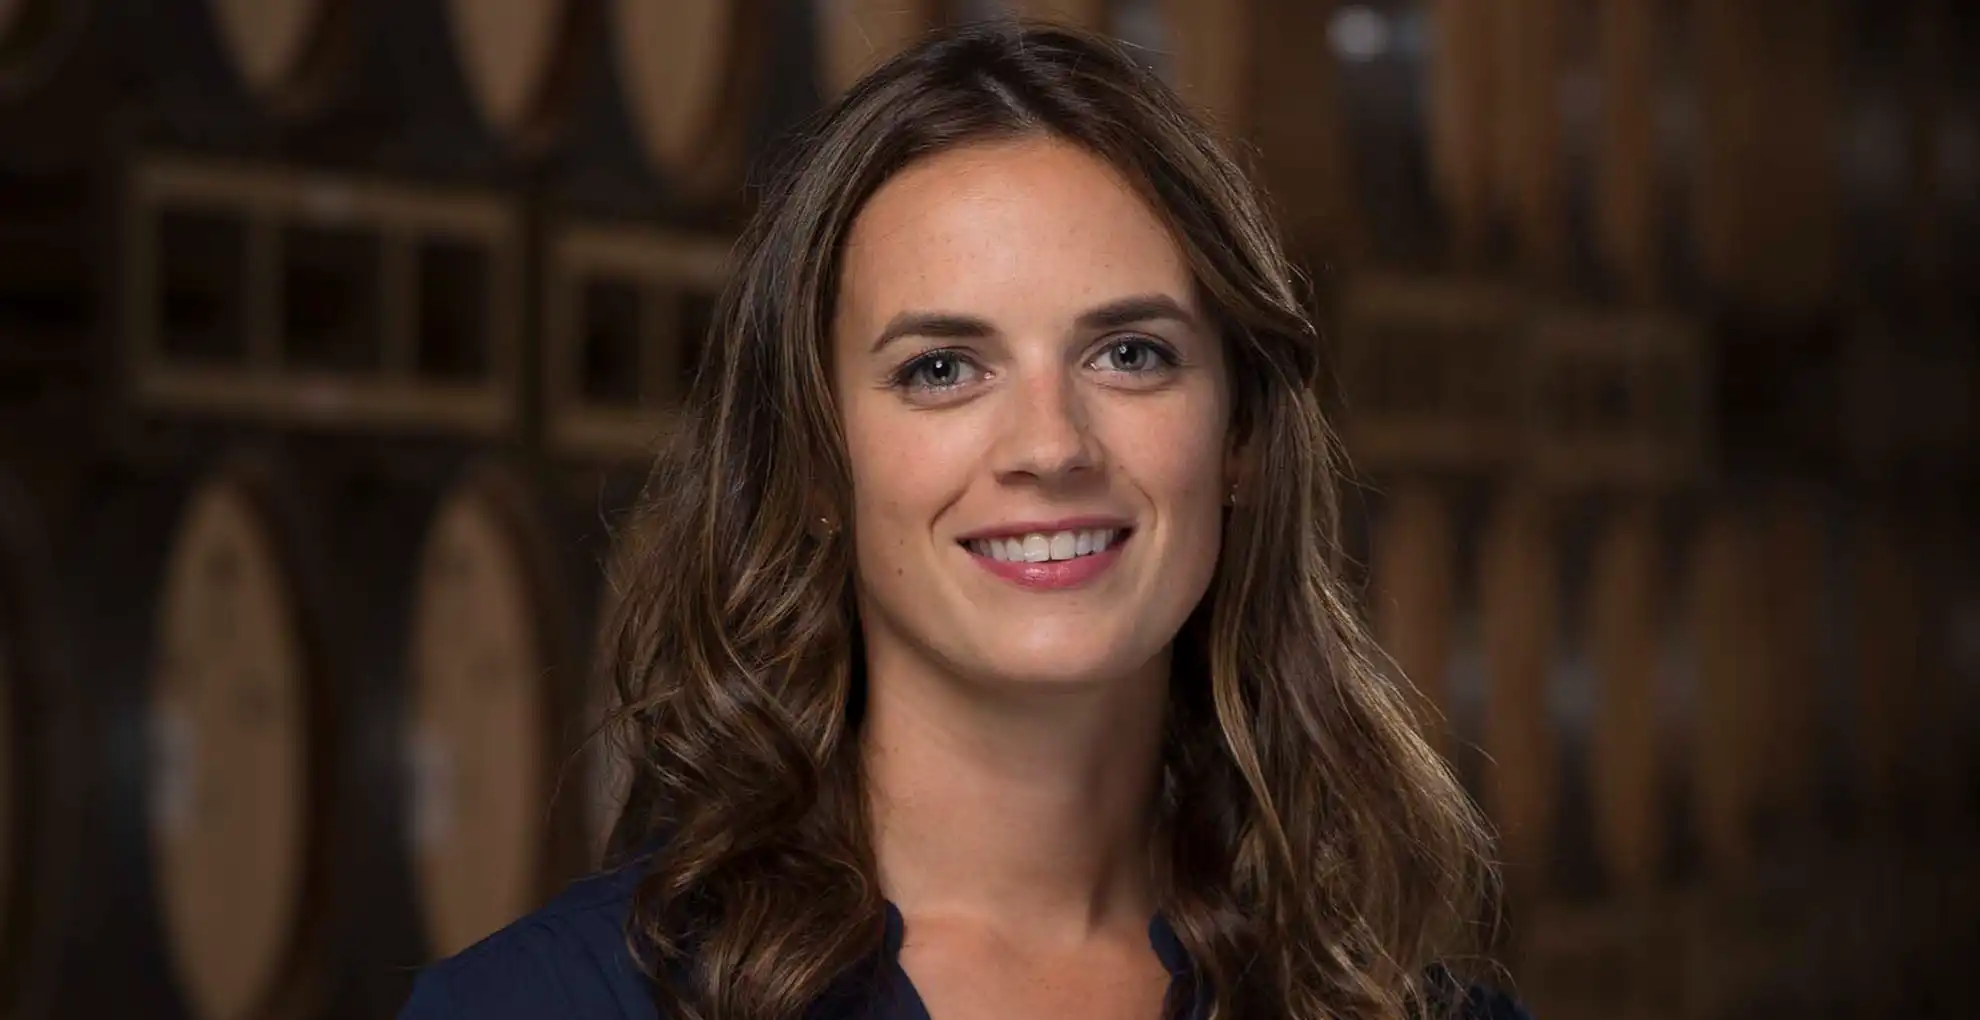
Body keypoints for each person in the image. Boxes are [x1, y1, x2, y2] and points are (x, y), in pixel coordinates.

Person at [399, 19, 1524, 1020]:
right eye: (942, 369)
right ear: (819, 462)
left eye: (1131, 355)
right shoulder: (546, 1003)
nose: (1050, 446)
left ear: (1239, 441)